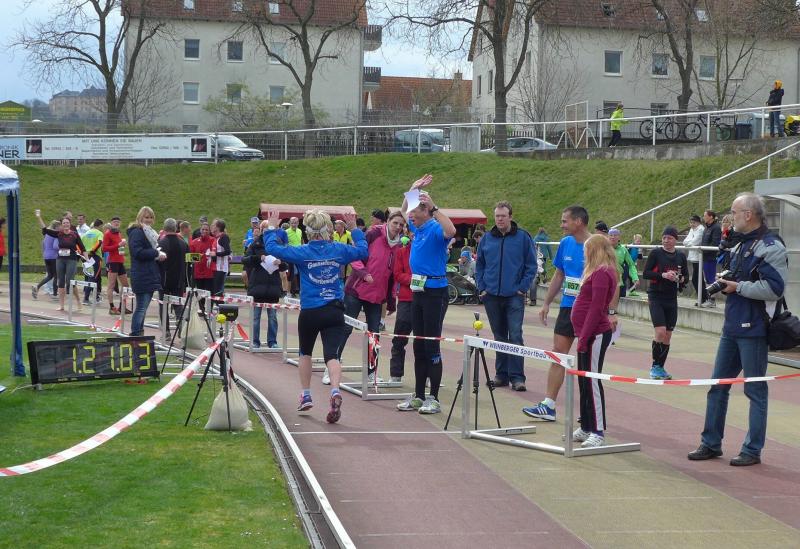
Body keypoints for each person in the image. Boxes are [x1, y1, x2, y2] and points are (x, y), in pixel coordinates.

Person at [688, 192, 787, 466]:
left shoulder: (771, 246)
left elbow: (775, 289)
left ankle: (752, 450)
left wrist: (738, 286)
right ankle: (710, 443)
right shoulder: (741, 243)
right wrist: (726, 280)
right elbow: (736, 274)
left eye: (734, 212)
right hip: (732, 326)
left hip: (754, 329)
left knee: (755, 392)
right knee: (717, 387)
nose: (730, 217)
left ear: (748, 214)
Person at [263, 208, 368, 424]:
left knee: (305, 353)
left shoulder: (302, 251)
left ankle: (306, 395)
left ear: (307, 231)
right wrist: (354, 229)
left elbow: (272, 248)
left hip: (310, 310)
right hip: (334, 309)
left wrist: (272, 227)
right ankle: (335, 390)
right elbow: (362, 251)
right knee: (332, 355)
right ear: (328, 229)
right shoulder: (339, 249)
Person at [523, 205, 595, 421]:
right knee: (558, 353)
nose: (561, 225)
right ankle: (549, 405)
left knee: (586, 360)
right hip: (567, 307)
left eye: (565, 221)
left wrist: (611, 311)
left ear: (578, 221)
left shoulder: (597, 245)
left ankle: (589, 413)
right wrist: (546, 303)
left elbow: (613, 279)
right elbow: (559, 275)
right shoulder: (565, 243)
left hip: (590, 309)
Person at [395, 174, 456, 414]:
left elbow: (451, 230)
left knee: (431, 345)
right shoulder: (417, 227)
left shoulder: (434, 227)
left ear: (425, 211)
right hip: (418, 291)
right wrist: (413, 188)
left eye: (415, 211)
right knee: (418, 344)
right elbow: (402, 211)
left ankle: (434, 398)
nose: (409, 216)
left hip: (435, 292)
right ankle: (419, 395)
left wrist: (434, 207)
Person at [334, 210, 405, 384]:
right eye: (395, 223)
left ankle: (371, 372)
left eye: (401, 225)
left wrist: (391, 301)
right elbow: (355, 255)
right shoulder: (374, 234)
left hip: (376, 296)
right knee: (345, 328)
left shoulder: (399, 245)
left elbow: (391, 276)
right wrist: (364, 273)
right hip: (356, 291)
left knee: (374, 334)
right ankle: (332, 366)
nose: (398, 227)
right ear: (388, 222)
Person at [475, 201, 537, 392]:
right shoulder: (487, 238)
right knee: (499, 335)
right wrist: (482, 287)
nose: (500, 219)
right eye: (497, 216)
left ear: (510, 216)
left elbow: (531, 265)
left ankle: (517, 377)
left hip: (514, 296)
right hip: (491, 295)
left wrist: (522, 288)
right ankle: (501, 375)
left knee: (515, 335)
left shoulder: (523, 237)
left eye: (503, 216)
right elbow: (480, 265)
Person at [570, 234, 618, 448]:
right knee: (584, 381)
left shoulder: (602, 273)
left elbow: (597, 308)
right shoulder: (597, 272)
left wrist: (585, 336)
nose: (584, 254)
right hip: (586, 333)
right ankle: (586, 425)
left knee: (592, 382)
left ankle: (598, 431)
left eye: (586, 250)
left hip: (595, 334)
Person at [642, 226, 688, 380]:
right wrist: (663, 275)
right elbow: (646, 273)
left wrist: (679, 278)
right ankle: (654, 366)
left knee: (668, 335)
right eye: (664, 238)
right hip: (656, 296)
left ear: (676, 240)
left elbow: (686, 277)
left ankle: (661, 367)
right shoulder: (656, 253)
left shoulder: (680, 256)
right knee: (660, 331)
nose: (666, 240)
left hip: (671, 298)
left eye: (669, 238)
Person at [35, 210, 88, 312]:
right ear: (62, 225)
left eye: (67, 223)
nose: (66, 224)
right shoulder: (59, 234)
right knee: (61, 281)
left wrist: (87, 260)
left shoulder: (74, 234)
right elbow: (45, 229)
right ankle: (61, 305)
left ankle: (78, 301)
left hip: (71, 260)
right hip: (60, 260)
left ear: (70, 224)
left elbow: (82, 248)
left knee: (70, 281)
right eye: (64, 223)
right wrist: (38, 217)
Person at [243, 221, 285, 349]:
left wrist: (280, 263)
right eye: (265, 229)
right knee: (256, 317)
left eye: (270, 229)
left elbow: (286, 264)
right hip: (257, 285)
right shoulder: (255, 243)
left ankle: (272, 342)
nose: (267, 231)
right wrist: (257, 258)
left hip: (273, 286)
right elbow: (245, 260)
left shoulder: (278, 243)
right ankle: (255, 341)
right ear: (261, 230)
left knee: (273, 317)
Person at [127, 207, 166, 337]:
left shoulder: (149, 233)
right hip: (142, 274)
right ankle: (136, 334)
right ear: (140, 217)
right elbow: (137, 252)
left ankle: (139, 333)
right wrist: (156, 253)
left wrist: (157, 255)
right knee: (141, 308)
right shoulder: (137, 232)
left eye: (150, 217)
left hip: (148, 274)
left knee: (142, 308)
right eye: (146, 217)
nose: (148, 220)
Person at [390, 231, 413, 383]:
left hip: (427, 299)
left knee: (427, 340)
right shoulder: (402, 252)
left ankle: (428, 376)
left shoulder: (430, 250)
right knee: (399, 338)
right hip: (406, 299)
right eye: (413, 232)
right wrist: (414, 280)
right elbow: (397, 274)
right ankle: (395, 374)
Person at [157, 218, 189, 331]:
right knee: (178, 303)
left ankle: (166, 331)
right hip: (179, 279)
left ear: (164, 228)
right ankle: (180, 325)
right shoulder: (183, 243)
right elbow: (188, 262)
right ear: (176, 228)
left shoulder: (161, 243)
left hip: (164, 279)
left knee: (163, 304)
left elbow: (157, 261)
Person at [102, 216, 131, 315]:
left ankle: (122, 307)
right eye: (114, 222)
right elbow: (104, 248)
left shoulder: (118, 233)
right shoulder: (107, 234)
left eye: (118, 222)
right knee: (111, 285)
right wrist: (118, 245)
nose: (116, 223)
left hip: (120, 261)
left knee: (126, 285)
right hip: (113, 262)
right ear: (111, 223)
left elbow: (119, 248)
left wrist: (122, 246)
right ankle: (111, 307)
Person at [189, 222, 215, 314]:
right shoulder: (194, 242)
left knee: (210, 292)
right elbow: (189, 257)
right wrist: (200, 256)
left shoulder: (213, 241)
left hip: (209, 272)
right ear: (200, 230)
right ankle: (201, 308)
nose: (204, 231)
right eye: (203, 229)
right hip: (198, 272)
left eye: (206, 230)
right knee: (200, 292)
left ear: (209, 231)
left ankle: (210, 309)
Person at [32, 220, 60, 301]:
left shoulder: (47, 234)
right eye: (60, 226)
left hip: (46, 256)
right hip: (54, 257)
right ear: (56, 227)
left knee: (50, 275)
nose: (61, 228)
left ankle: (37, 286)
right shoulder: (56, 235)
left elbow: (43, 244)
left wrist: (44, 253)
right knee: (56, 276)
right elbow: (55, 246)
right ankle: (55, 294)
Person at [608, 228, 639, 298]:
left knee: (619, 301)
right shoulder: (603, 248)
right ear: (608, 237)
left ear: (619, 237)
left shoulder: (623, 250)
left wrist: (635, 277)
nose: (613, 237)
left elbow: (631, 265)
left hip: (619, 282)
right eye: (611, 235)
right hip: (606, 281)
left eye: (615, 235)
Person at [700, 210, 722, 307]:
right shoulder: (707, 228)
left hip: (710, 257)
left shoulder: (716, 227)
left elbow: (715, 243)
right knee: (707, 279)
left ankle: (712, 300)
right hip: (705, 256)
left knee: (711, 279)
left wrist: (704, 250)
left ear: (711, 217)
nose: (703, 217)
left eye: (705, 216)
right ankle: (709, 299)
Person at [81, 219, 104, 305]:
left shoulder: (86, 233)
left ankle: (96, 297)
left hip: (86, 257)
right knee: (93, 277)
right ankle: (86, 298)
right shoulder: (99, 233)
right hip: (95, 257)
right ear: (100, 225)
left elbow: (79, 244)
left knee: (89, 276)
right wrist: (93, 251)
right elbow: (100, 242)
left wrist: (82, 254)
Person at [682, 215, 705, 301]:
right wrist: (689, 242)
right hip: (693, 257)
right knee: (697, 279)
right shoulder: (692, 230)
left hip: (699, 257)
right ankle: (702, 298)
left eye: (693, 222)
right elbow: (685, 241)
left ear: (698, 222)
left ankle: (703, 298)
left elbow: (696, 242)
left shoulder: (701, 229)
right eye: (691, 222)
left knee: (697, 279)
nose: (691, 224)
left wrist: (689, 243)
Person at [210, 219, 231, 297]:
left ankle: (220, 304)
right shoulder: (217, 237)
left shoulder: (224, 237)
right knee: (215, 290)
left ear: (218, 227)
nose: (212, 226)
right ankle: (218, 303)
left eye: (214, 225)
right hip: (216, 267)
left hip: (221, 268)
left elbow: (228, 251)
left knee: (217, 290)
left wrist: (215, 254)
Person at [286, 216, 303, 296]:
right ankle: (289, 292)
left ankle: (298, 290)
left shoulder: (300, 231)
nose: (294, 224)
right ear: (289, 223)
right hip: (291, 255)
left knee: (300, 273)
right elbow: (284, 244)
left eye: (295, 223)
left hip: (299, 255)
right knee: (292, 273)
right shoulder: (286, 232)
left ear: (298, 223)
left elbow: (300, 242)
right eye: (292, 223)